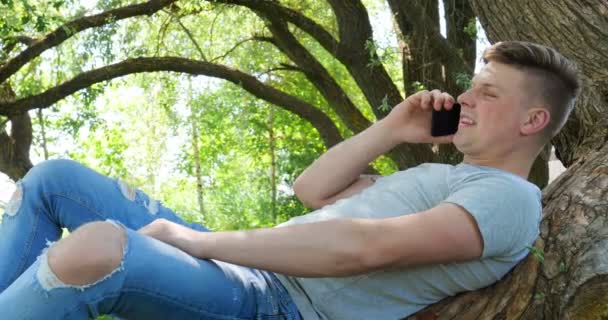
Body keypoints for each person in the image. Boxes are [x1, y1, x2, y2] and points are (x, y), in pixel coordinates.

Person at [0, 40, 580, 319]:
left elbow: (363, 249)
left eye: (488, 92)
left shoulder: (509, 199)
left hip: (278, 305)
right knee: (55, 180)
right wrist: (392, 127)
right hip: (248, 272)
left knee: (101, 250)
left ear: (533, 121)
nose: (465, 98)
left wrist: (196, 241)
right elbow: (313, 190)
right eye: (472, 86)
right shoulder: (440, 176)